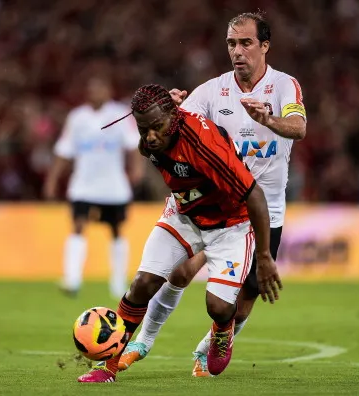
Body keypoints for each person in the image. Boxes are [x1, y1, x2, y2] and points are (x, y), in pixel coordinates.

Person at [120, 11, 307, 376]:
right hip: (210, 206)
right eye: (231, 44)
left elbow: (298, 128)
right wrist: (168, 108)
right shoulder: (212, 90)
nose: (237, 51)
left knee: (242, 301)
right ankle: (143, 340)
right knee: (176, 272)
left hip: (262, 210)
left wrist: (268, 121)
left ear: (265, 46)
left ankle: (207, 349)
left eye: (246, 43)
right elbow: (173, 129)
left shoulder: (285, 86)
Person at [77, 83, 281, 383]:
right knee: (143, 284)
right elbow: (147, 144)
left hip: (230, 224)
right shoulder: (154, 132)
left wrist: (264, 257)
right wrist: (153, 127)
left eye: (157, 127)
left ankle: (222, 331)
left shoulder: (204, 145)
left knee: (219, 306)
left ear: (173, 115)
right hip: (184, 215)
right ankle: (109, 366)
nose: (150, 136)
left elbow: (255, 196)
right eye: (144, 128)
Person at [44, 76, 144, 299]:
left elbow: (132, 144)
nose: (96, 92)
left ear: (108, 90)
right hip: (84, 185)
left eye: (100, 87)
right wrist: (52, 179)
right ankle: (72, 280)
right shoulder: (77, 117)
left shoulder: (120, 114)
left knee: (116, 230)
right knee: (78, 226)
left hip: (113, 186)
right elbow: (64, 149)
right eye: (93, 88)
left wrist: (137, 168)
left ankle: (118, 283)